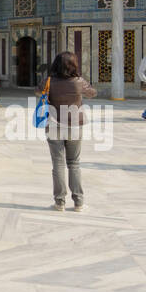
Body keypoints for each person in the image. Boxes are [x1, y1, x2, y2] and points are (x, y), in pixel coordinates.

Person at [44, 51, 96, 211]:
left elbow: (38, 91)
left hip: (54, 124)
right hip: (75, 124)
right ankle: (78, 202)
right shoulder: (79, 81)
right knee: (74, 163)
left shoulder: (49, 80)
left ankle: (59, 202)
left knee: (58, 163)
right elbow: (93, 93)